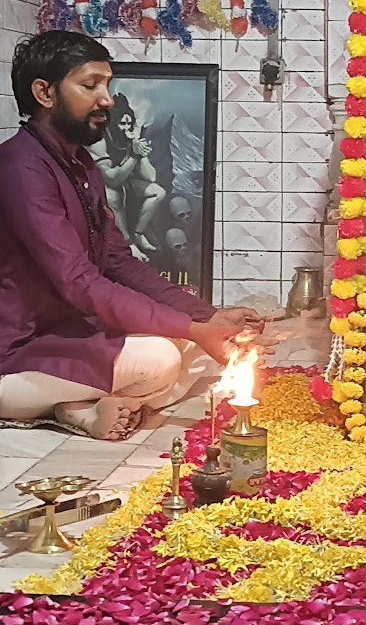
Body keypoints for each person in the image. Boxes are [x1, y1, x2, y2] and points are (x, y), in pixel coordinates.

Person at [0, 32, 268, 441]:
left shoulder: (80, 164)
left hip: (70, 335)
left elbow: (119, 263)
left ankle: (80, 409)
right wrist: (194, 328)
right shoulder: (22, 167)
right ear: (44, 93)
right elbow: (79, 282)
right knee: (162, 356)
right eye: (90, 85)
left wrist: (205, 317)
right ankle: (78, 411)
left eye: (107, 85)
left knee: (193, 348)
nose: (106, 99)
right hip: (19, 354)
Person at [94, 93, 166, 260]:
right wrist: (134, 156)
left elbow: (151, 177)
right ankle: (129, 243)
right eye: (122, 124)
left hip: (125, 181)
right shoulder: (100, 141)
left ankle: (138, 233)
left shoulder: (129, 139)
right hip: (101, 184)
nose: (126, 128)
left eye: (129, 124)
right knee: (113, 196)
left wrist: (140, 153)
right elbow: (111, 179)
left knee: (157, 192)